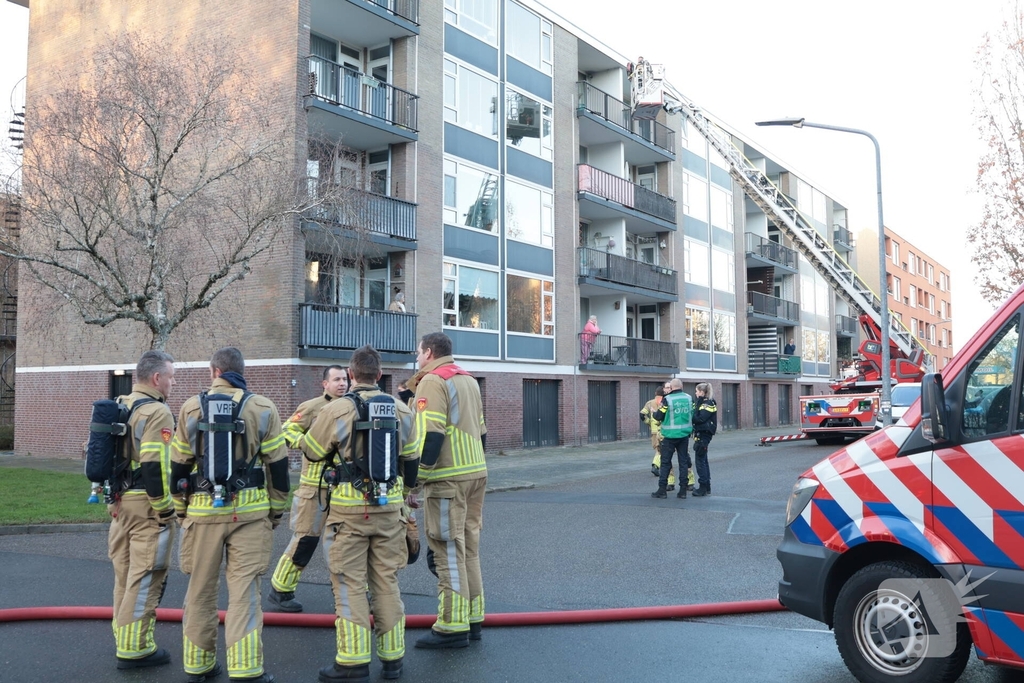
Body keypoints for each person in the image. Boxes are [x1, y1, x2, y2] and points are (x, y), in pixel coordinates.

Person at [170, 347, 290, 683]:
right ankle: (246, 670)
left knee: (200, 591)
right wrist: (275, 511)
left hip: (202, 513)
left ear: (214, 371)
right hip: (250, 514)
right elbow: (278, 470)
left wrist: (182, 510)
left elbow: (178, 468)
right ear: (241, 371)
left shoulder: (190, 407)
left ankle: (198, 666)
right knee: (245, 593)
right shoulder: (263, 407)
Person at [303, 345, 420, 683]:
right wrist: (404, 494)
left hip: (349, 515)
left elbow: (311, 452)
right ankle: (393, 658)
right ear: (380, 375)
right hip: (390, 512)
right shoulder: (401, 409)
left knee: (349, 583)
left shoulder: (338, 408)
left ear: (352, 375)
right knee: (387, 582)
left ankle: (352, 662)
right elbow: (411, 462)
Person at [408, 332, 487, 648]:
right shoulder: (468, 379)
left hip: (447, 480)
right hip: (475, 474)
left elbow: (431, 435)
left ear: (428, 352)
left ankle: (452, 627)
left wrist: (416, 481)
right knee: (468, 548)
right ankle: (473, 618)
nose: (417, 358)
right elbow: (481, 432)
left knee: (447, 550)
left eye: (418, 353)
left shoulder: (432, 381)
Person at [107, 350, 178, 670]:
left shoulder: (118, 405)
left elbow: (102, 457)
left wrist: (110, 499)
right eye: (171, 377)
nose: (173, 383)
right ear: (156, 378)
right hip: (146, 505)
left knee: (124, 575)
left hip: (120, 503)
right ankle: (135, 649)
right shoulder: (157, 412)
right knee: (146, 574)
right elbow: (155, 464)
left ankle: (123, 637)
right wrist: (165, 509)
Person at [267, 364, 348, 613]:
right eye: (336, 379)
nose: (342, 383)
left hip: (344, 488)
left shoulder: (353, 407)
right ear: (325, 384)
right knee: (305, 540)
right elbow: (287, 431)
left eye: (345, 379)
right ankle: (280, 589)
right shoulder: (311, 407)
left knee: (348, 543)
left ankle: (352, 595)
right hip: (314, 488)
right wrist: (309, 444)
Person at [651, 378, 693, 500]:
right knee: (683, 463)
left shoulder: (667, 399)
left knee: (665, 463)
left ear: (672, 387)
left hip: (669, 436)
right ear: (682, 386)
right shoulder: (689, 398)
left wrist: (654, 412)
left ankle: (662, 490)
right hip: (684, 436)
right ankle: (683, 491)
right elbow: (693, 414)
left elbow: (659, 416)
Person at [641, 386, 674, 492]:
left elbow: (642, 415)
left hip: (655, 431)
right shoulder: (666, 401)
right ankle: (657, 466)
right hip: (665, 431)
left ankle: (655, 465)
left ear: (655, 393)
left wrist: (649, 422)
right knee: (665, 454)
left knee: (658, 450)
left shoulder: (650, 403)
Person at [691, 383, 718, 497]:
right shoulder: (705, 402)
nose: (696, 393)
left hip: (703, 435)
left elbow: (700, 418)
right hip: (702, 434)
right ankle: (706, 486)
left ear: (702, 392)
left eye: (697, 391)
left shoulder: (707, 403)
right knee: (704, 460)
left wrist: (692, 417)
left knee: (700, 462)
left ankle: (703, 487)